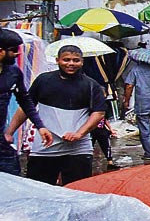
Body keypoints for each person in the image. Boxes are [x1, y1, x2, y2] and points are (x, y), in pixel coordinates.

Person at [6, 45, 106, 185]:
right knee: (38, 190)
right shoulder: (43, 80)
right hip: (45, 146)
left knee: (78, 191)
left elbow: (99, 113)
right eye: (66, 60)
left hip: (78, 148)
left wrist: (79, 134)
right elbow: (26, 108)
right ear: (57, 60)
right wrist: (9, 132)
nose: (71, 63)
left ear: (82, 62)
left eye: (76, 60)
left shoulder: (91, 85)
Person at [0, 29, 52, 175]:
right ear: (1, 51)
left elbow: (25, 99)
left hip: (1, 141)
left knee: (13, 177)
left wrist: (40, 126)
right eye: (14, 50)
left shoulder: (13, 72)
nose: (18, 53)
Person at [123, 48, 150, 159]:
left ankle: (148, 153)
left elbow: (129, 86)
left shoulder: (136, 69)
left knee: (144, 127)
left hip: (143, 103)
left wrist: (126, 100)